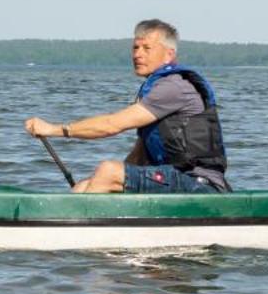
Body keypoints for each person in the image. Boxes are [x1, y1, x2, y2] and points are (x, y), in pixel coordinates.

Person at [23, 20, 230, 194]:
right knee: (85, 185)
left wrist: (53, 129)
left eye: (147, 48)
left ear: (169, 55)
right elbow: (139, 156)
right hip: (174, 177)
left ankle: (82, 232)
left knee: (108, 171)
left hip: (199, 184)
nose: (138, 54)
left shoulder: (174, 87)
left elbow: (111, 125)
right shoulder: (153, 89)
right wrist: (97, 184)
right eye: (135, 47)